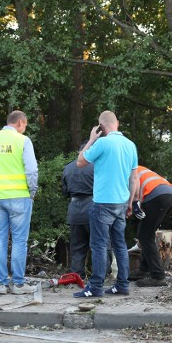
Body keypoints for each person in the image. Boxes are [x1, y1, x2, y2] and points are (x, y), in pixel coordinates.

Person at [73, 110, 138, 298]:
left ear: (100, 126)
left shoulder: (102, 143)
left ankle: (95, 287)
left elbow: (80, 162)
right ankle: (122, 285)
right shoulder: (130, 145)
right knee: (119, 244)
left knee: (99, 245)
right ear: (116, 122)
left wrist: (91, 140)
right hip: (121, 201)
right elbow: (134, 177)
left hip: (103, 202)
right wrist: (130, 202)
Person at [0, 110, 38, 295]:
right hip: (19, 197)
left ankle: (1, 284)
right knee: (20, 240)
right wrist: (32, 192)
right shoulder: (23, 141)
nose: (24, 129)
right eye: (25, 125)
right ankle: (19, 284)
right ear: (20, 123)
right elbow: (31, 171)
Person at [61, 140, 112, 279]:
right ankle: (101, 274)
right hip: (95, 207)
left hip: (74, 210)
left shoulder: (68, 168)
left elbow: (64, 192)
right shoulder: (99, 166)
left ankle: (77, 275)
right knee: (100, 243)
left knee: (77, 246)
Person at [128, 165, 172, 287]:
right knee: (145, 232)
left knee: (145, 236)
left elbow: (133, 187)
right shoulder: (137, 167)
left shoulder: (126, 170)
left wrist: (131, 205)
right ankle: (144, 269)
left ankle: (157, 276)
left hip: (157, 195)